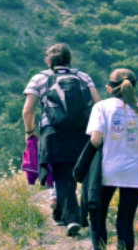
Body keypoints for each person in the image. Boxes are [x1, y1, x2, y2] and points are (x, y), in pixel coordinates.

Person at [22, 43, 101, 236]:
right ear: (69, 59)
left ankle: (72, 219)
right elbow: (98, 104)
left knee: (64, 177)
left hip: (54, 132)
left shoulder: (40, 78)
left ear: (48, 60)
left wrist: (30, 131)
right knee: (85, 175)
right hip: (83, 132)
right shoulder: (83, 77)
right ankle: (85, 216)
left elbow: (28, 110)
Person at [85, 68, 138, 250]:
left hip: (106, 171)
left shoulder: (101, 107)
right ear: (135, 86)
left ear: (109, 88)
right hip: (135, 172)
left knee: (98, 216)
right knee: (125, 222)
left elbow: (96, 139)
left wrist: (82, 163)